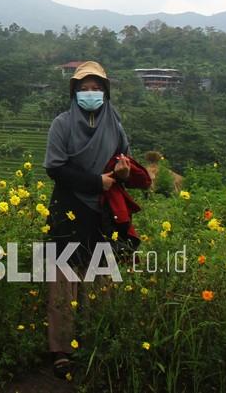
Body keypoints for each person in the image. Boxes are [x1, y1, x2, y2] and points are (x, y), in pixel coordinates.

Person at [43, 61, 130, 379]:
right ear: (75, 92)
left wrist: (121, 172)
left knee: (101, 281)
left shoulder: (115, 125)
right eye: (84, 89)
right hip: (69, 208)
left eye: (96, 89)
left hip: (103, 212)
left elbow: (124, 160)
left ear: (105, 93)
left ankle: (96, 342)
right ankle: (61, 351)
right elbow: (55, 168)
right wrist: (96, 182)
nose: (90, 94)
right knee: (63, 282)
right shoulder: (62, 125)